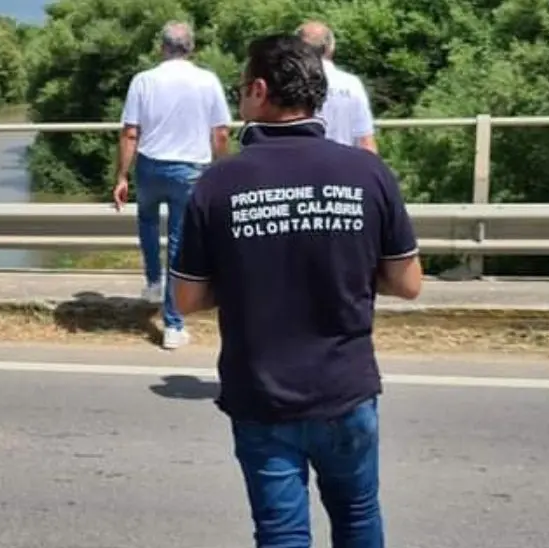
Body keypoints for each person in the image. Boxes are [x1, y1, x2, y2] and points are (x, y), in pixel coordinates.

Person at [169, 34, 422, 548]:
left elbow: (186, 301)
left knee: (282, 533)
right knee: (357, 517)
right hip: (345, 391)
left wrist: (247, 275)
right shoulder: (367, 171)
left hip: (262, 394)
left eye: (240, 87)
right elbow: (408, 283)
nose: (239, 97)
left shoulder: (218, 184)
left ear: (259, 91)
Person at [113, 20, 232, 350]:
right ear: (191, 47)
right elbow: (220, 133)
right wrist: (223, 170)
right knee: (180, 244)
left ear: (161, 47)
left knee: (148, 219)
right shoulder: (207, 81)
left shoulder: (143, 81)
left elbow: (130, 133)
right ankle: (173, 325)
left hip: (150, 167)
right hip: (190, 170)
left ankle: (153, 280)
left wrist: (122, 176)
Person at [296, 20, 378, 153]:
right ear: (331, 47)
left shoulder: (288, 83)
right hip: (346, 167)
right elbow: (366, 143)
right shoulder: (352, 84)